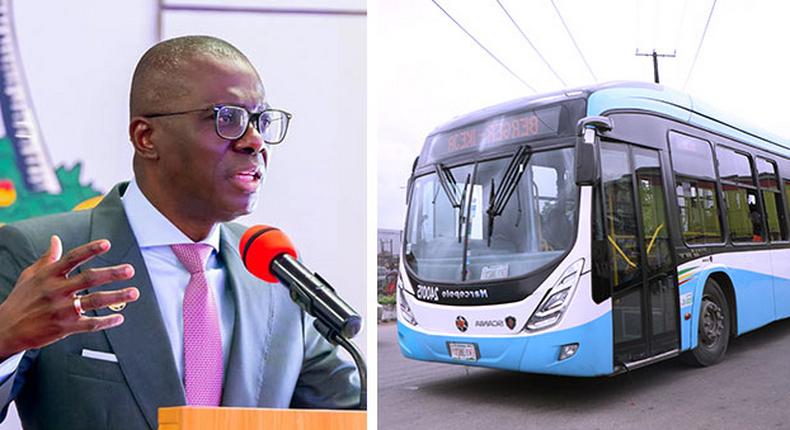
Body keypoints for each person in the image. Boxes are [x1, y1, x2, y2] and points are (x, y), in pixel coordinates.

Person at [0, 35, 360, 430]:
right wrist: (5, 340)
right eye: (228, 118)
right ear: (146, 137)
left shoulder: (275, 272)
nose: (255, 141)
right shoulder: (40, 255)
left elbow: (343, 412)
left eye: (260, 120)